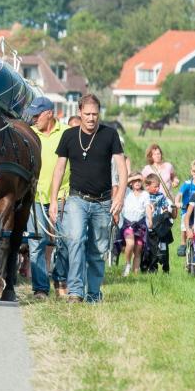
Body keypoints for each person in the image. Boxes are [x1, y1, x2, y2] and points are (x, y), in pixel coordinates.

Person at [49, 93, 127, 303]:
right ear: (79, 113)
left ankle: (93, 293)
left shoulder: (110, 135)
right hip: (77, 200)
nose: (92, 118)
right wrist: (53, 199)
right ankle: (75, 291)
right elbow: (59, 169)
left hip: (103, 202)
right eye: (87, 114)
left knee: (97, 250)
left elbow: (122, 167)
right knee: (75, 240)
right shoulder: (69, 136)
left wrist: (120, 197)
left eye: (95, 114)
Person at [25, 96, 70, 300]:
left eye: (37, 115)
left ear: (49, 113)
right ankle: (41, 289)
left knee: (64, 242)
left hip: (62, 196)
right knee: (36, 243)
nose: (34, 119)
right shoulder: (29, 134)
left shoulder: (67, 133)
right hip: (35, 197)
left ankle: (60, 280)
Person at [144, 173, 176, 273]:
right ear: (147, 186)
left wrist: (167, 210)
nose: (157, 188)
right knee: (152, 248)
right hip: (149, 226)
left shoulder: (161, 196)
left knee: (164, 248)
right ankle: (152, 268)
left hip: (160, 225)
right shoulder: (145, 196)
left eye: (158, 186)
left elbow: (165, 206)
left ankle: (166, 268)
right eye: (155, 187)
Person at [119, 172, 149, 276]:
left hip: (140, 225)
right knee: (130, 244)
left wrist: (150, 220)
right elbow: (122, 184)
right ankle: (127, 264)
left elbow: (147, 208)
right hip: (128, 224)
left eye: (139, 181)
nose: (137, 182)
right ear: (131, 183)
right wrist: (135, 177)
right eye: (135, 181)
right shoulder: (127, 192)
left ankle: (135, 273)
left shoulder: (145, 194)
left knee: (138, 250)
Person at [175, 159, 195, 257]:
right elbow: (179, 194)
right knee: (184, 227)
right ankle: (183, 243)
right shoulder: (188, 184)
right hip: (186, 210)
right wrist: (177, 202)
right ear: (192, 172)